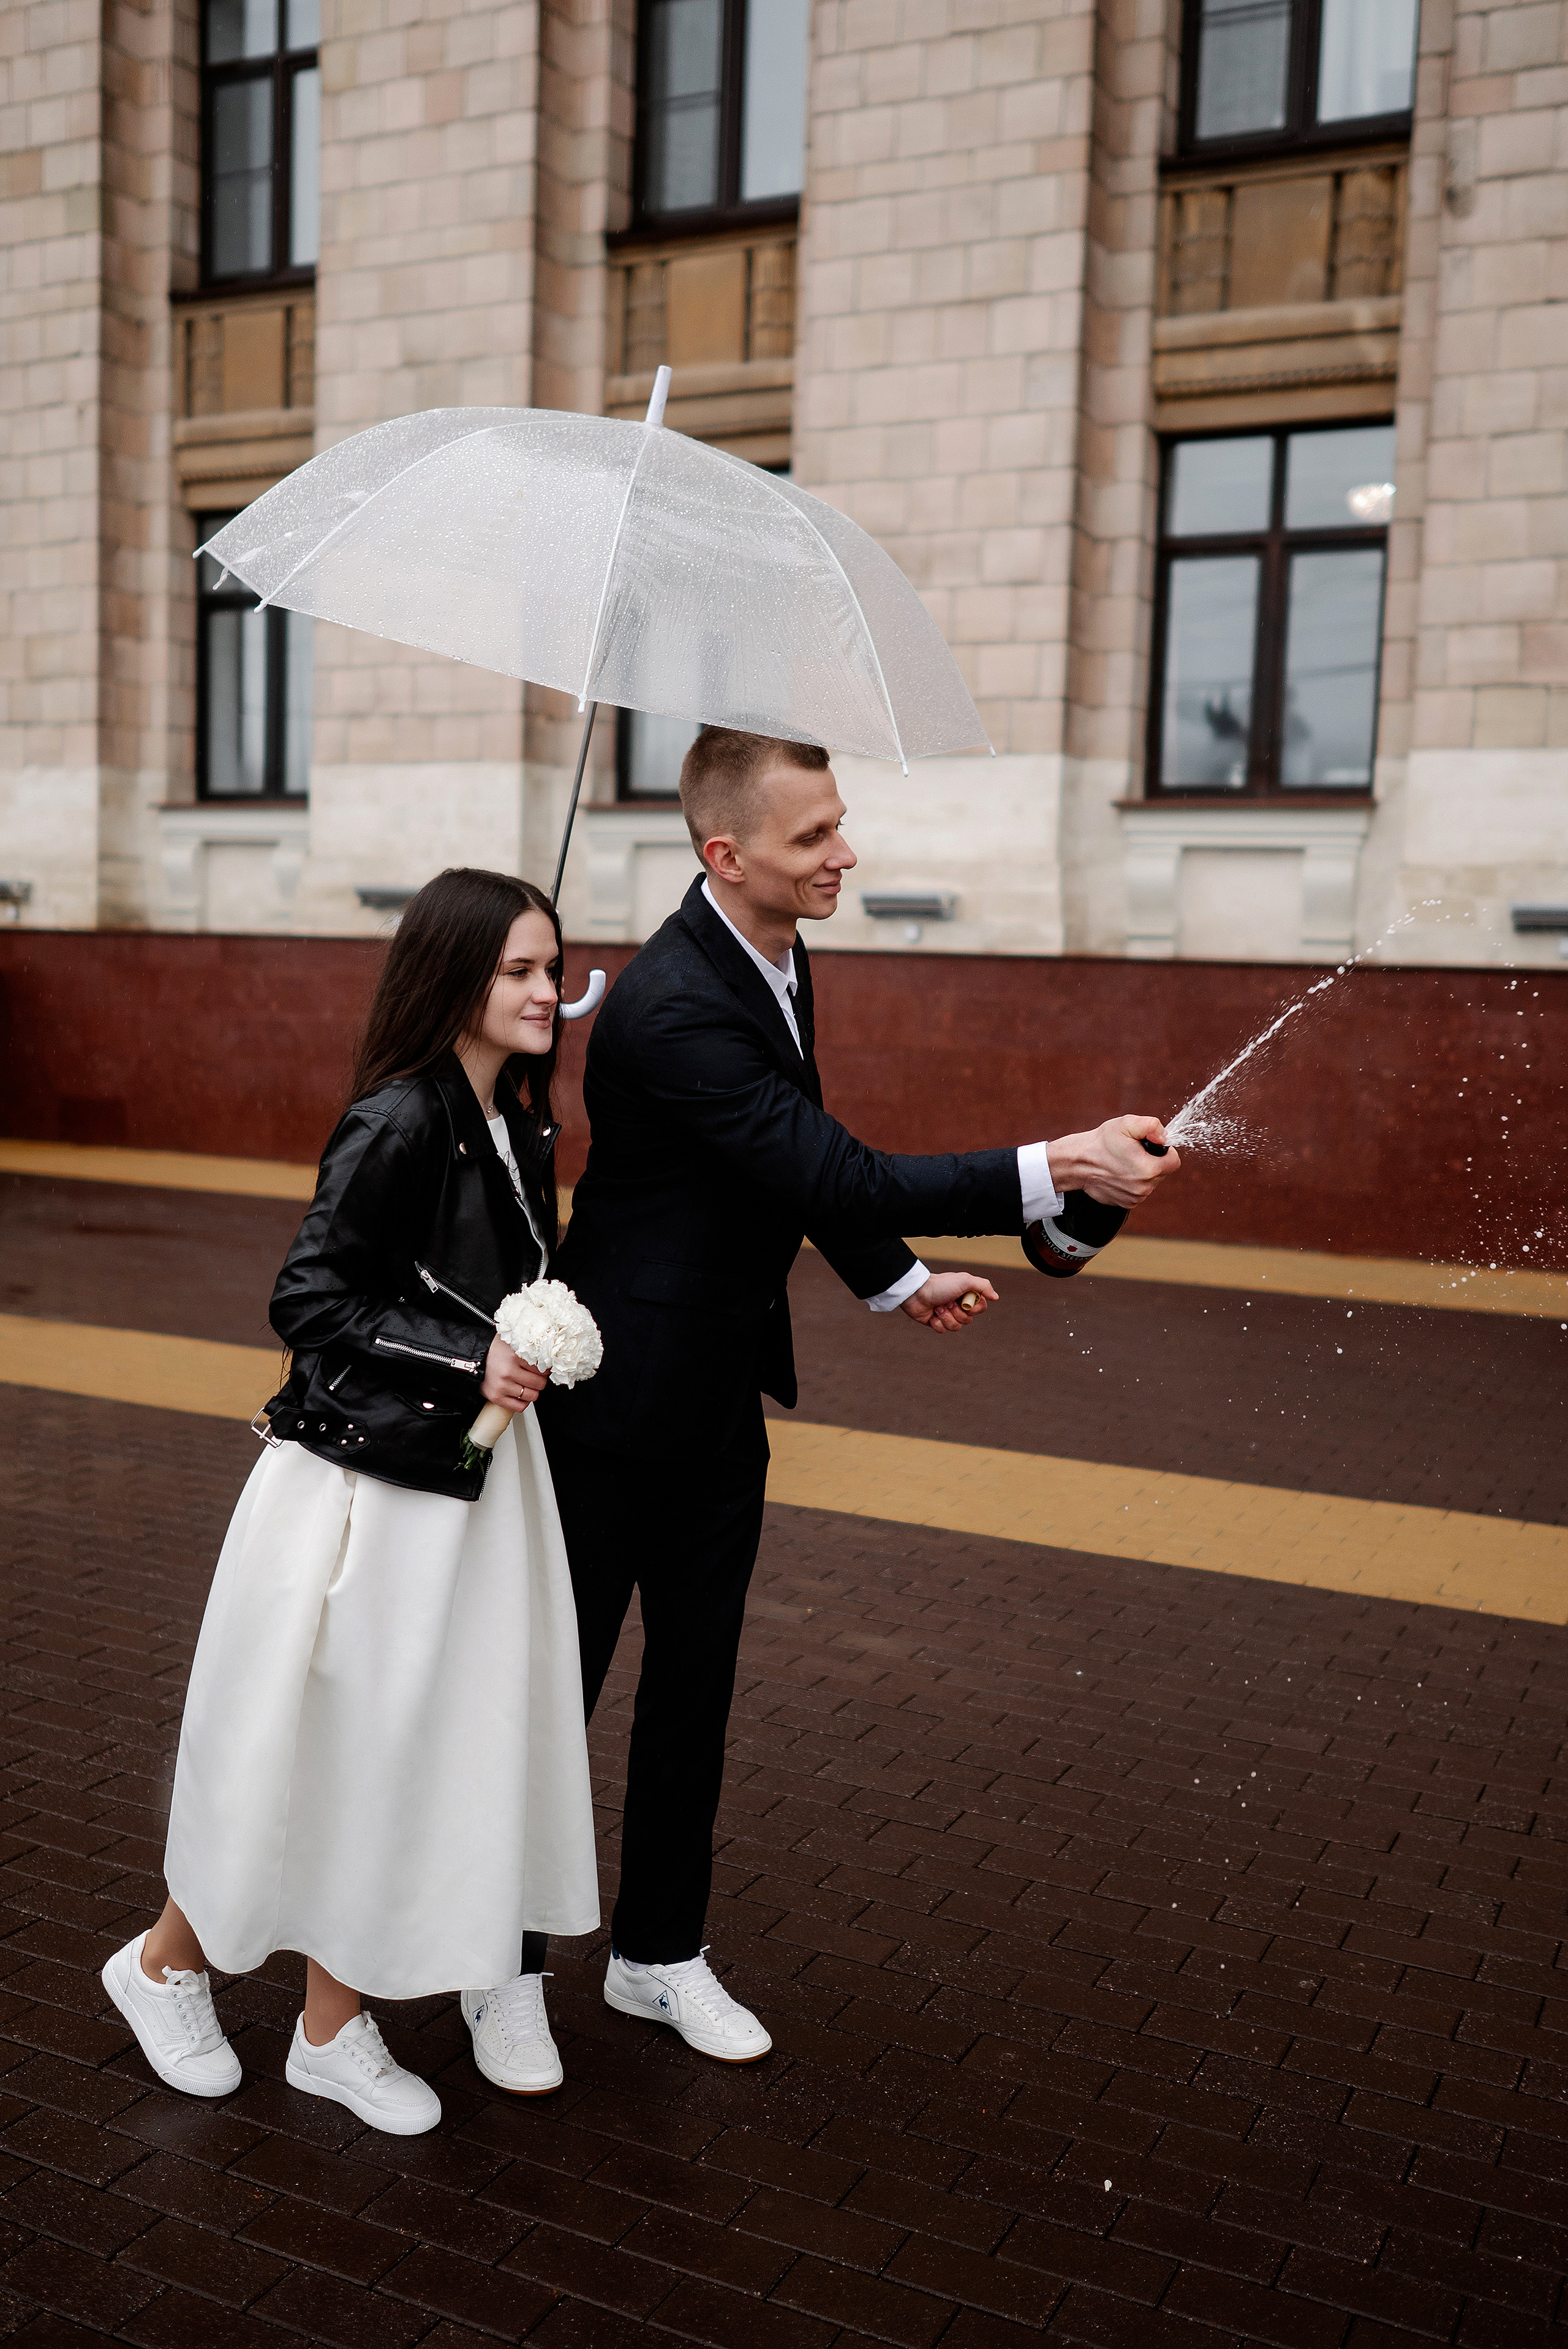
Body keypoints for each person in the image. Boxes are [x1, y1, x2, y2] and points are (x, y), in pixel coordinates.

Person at [519, 728, 1180, 2062]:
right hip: (605, 1401)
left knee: (692, 1687)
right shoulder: (670, 1003)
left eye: (838, 824)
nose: (844, 853)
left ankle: (654, 1955)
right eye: (812, 836)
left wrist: (892, 1281)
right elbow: (841, 1172)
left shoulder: (772, 951)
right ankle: (503, 1965)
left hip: (716, 1394)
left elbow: (781, 1164)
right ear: (726, 855)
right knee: (554, 1696)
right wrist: (1055, 1162)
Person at [101, 869, 600, 2134]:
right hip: (366, 1495)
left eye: (554, 967)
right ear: (454, 979)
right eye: (522, 971)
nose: (551, 992)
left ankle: (331, 2027)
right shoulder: (398, 1120)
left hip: (469, 1492)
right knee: (310, 1745)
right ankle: (162, 1967)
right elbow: (309, 1302)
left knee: (406, 1755)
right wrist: (469, 1357)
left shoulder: (517, 1122)